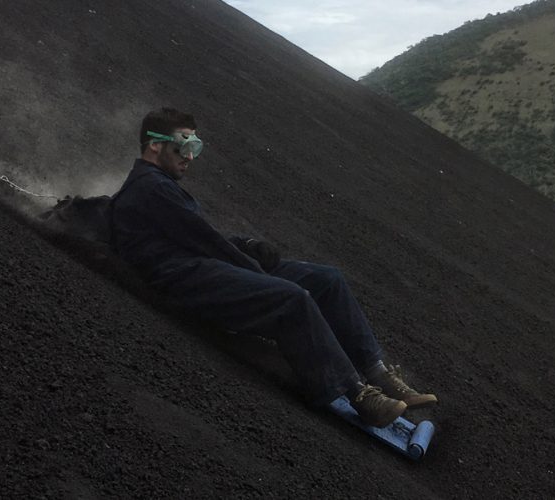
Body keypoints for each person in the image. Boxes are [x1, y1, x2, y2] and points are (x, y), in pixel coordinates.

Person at [110, 107, 437, 427]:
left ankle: (377, 371)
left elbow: (199, 234)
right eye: (185, 145)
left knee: (328, 280)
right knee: (292, 297)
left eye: (196, 147)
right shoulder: (149, 187)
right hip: (182, 278)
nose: (191, 156)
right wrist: (256, 269)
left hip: (202, 263)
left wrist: (247, 245)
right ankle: (360, 395)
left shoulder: (159, 185)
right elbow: (203, 242)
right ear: (155, 144)